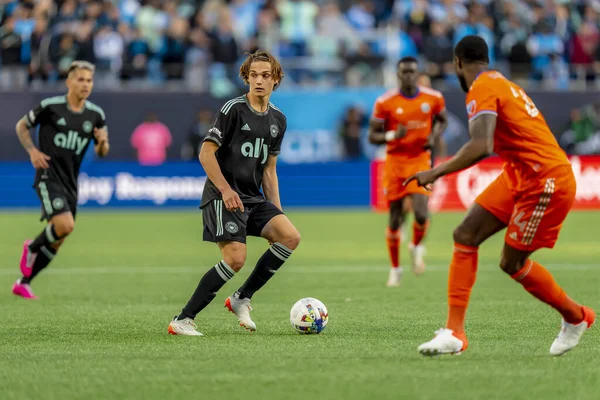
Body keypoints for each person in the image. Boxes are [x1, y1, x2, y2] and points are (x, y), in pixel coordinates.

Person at [407, 35, 595, 357]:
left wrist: (435, 171)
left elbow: (483, 145)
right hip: (520, 174)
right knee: (465, 234)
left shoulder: (481, 87)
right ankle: (454, 333)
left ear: (457, 63)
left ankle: (576, 317)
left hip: (545, 180)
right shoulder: (500, 82)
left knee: (512, 262)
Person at [168, 50, 300, 336]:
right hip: (222, 196)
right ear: (246, 78)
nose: (258, 81)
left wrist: (276, 213)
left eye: (265, 75)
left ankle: (242, 297)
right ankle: (183, 319)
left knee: (289, 237)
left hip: (253, 198)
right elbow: (206, 153)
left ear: (276, 79)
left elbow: (269, 170)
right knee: (235, 259)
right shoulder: (233, 110)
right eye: (253, 75)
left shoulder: (279, 119)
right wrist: (226, 190)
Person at [13, 61, 109, 299]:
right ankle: (32, 247)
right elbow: (21, 126)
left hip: (70, 181)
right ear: (69, 82)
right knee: (65, 225)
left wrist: (102, 142)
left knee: (59, 238)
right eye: (81, 79)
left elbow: (102, 152)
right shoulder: (51, 107)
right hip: (48, 175)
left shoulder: (96, 115)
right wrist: (33, 152)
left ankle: (24, 282)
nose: (86, 85)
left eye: (89, 80)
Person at [369, 57, 448, 287]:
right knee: (394, 219)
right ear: (398, 75)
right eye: (404, 72)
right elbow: (372, 136)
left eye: (412, 72)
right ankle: (395, 269)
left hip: (419, 160)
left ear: (418, 73)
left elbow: (442, 120)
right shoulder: (386, 102)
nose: (409, 76)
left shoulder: (433, 98)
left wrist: (434, 136)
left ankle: (415, 245)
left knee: (422, 213)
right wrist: (393, 135)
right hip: (395, 162)